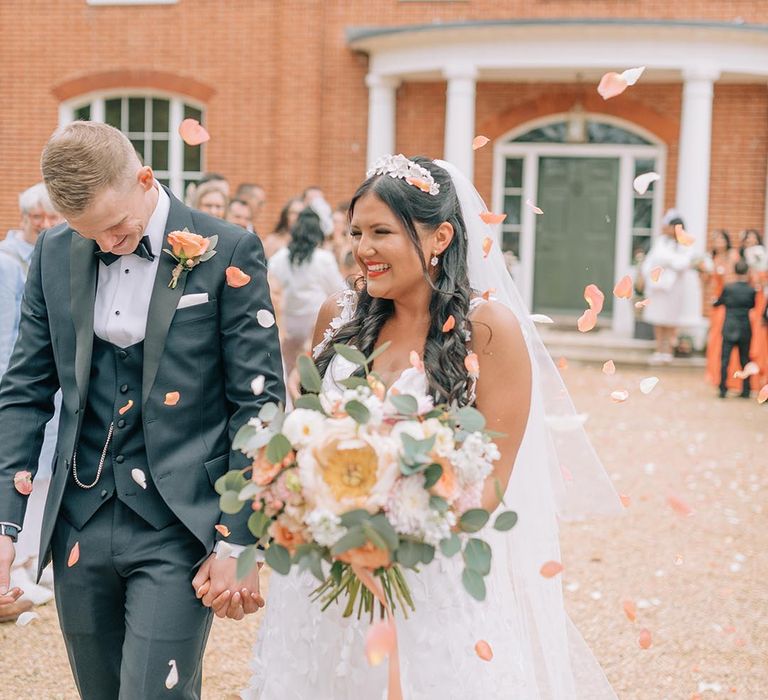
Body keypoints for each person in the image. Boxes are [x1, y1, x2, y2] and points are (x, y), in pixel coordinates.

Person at [244, 155, 621, 698]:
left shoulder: (489, 330)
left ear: (440, 235)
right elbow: (300, 437)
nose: (363, 249)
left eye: (381, 232)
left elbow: (492, 480)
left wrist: (389, 527)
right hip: (322, 572)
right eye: (355, 233)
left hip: (428, 574)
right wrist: (310, 509)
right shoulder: (339, 315)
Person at [0, 121, 284, 698]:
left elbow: (258, 404)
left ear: (146, 180)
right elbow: (25, 389)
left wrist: (238, 540)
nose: (106, 246)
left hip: (177, 523)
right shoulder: (54, 253)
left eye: (117, 228)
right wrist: (4, 525)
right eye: (89, 236)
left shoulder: (228, 248)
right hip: (78, 518)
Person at [0, 183, 62, 619]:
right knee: (21, 472)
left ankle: (33, 561)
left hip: (49, 388)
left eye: (49, 216)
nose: (43, 224)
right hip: (20, 384)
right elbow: (8, 336)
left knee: (42, 473)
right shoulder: (7, 263)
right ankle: (16, 569)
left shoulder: (56, 254)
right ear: (23, 218)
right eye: (36, 217)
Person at [268, 208, 345, 376]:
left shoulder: (279, 258)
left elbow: (272, 287)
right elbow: (339, 291)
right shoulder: (324, 259)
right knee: (314, 371)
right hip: (317, 322)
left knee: (288, 371)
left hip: (288, 323)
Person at [640, 209, 698, 364]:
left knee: (671, 320)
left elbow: (683, 263)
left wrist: (666, 260)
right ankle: (659, 349)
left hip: (674, 288)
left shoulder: (685, 244)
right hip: (657, 286)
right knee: (657, 318)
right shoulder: (661, 242)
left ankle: (668, 350)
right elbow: (651, 260)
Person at [702, 230, 741, 387]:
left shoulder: (733, 256)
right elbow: (706, 282)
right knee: (715, 338)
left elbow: (734, 279)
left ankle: (731, 376)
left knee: (727, 338)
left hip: (729, 301)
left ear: (726, 240)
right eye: (715, 240)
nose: (718, 242)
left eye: (720, 239)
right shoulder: (712, 258)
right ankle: (715, 373)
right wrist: (703, 270)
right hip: (716, 302)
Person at [714, 260, 756, 398]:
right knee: (745, 359)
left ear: (735, 271)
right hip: (745, 326)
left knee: (725, 359)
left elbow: (719, 302)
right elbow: (752, 305)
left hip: (730, 326)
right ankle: (746, 390)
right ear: (747, 271)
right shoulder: (751, 289)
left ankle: (723, 389)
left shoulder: (729, 287)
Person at [738, 229, 768, 390]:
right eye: (747, 238)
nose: (750, 240)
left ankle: (761, 380)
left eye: (752, 238)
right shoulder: (742, 260)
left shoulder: (761, 258)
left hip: (760, 301)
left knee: (759, 337)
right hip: (747, 301)